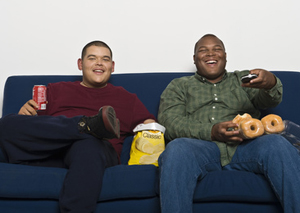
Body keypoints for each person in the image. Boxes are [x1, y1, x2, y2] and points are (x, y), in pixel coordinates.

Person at [0, 41, 155, 213]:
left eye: (105, 59)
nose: (99, 63)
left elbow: (151, 126)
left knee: (88, 143)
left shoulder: (127, 99)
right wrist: (25, 115)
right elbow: (40, 128)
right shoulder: (55, 90)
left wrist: (150, 132)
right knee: (6, 123)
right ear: (80, 64)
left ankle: (87, 129)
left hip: (95, 153)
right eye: (92, 58)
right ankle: (85, 125)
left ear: (112, 66)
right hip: (53, 150)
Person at [157, 34, 300, 213]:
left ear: (225, 56)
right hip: (201, 150)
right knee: (176, 149)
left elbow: (268, 101)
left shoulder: (243, 80)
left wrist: (271, 83)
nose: (211, 54)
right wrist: (211, 131)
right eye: (203, 50)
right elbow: (170, 122)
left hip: (245, 148)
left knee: (277, 143)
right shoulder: (178, 86)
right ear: (194, 59)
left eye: (216, 49)